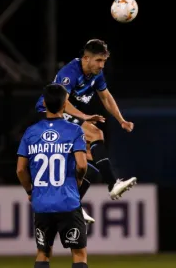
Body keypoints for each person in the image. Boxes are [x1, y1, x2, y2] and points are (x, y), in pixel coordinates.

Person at [34, 39, 137, 223]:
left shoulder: (96, 75)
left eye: (104, 61)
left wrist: (121, 120)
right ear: (86, 58)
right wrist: (84, 117)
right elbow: (61, 102)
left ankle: (72, 205)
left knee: (90, 164)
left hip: (63, 114)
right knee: (96, 133)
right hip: (49, 112)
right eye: (98, 61)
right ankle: (113, 184)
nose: (101, 65)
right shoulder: (70, 72)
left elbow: (105, 97)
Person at [17, 84, 89, 268]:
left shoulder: (31, 132)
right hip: (68, 202)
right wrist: (78, 181)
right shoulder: (74, 131)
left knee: (43, 252)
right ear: (65, 104)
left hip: (41, 205)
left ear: (44, 103)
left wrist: (29, 190)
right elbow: (81, 165)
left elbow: (20, 170)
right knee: (79, 253)